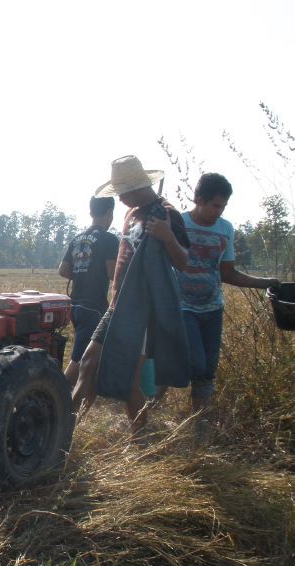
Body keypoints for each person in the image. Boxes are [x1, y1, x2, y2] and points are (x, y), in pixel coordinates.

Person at [72, 155, 191, 434]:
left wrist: (167, 237)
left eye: (123, 193)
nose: (121, 200)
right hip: (117, 306)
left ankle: (140, 439)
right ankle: (64, 433)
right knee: (88, 364)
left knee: (128, 381)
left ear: (138, 186)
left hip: (142, 310)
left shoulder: (167, 214)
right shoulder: (132, 214)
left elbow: (184, 262)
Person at [177, 172, 279, 412]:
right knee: (197, 364)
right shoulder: (179, 223)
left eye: (223, 206)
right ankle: (163, 387)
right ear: (198, 199)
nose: (219, 211)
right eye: (215, 205)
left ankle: (199, 420)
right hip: (183, 307)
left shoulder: (225, 229)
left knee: (209, 368)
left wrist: (266, 282)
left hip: (213, 309)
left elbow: (227, 273)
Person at [59, 196, 119, 386]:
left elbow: (63, 270)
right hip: (93, 307)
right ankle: (59, 397)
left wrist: (82, 272)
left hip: (75, 305)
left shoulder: (77, 238)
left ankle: (88, 389)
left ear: (91, 212)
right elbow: (112, 273)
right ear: (110, 212)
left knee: (86, 353)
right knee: (78, 360)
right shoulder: (109, 239)